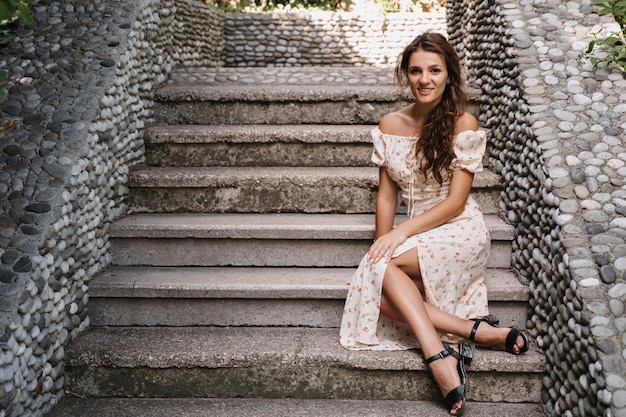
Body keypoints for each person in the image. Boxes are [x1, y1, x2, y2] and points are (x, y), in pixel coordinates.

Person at [339, 32, 529, 416]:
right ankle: (475, 332)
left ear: (448, 75)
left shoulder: (463, 122)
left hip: (458, 227)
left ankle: (436, 356)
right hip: (415, 233)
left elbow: (457, 201)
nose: (424, 79)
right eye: (415, 71)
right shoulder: (390, 124)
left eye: (434, 70)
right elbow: (387, 196)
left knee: (378, 278)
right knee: (376, 285)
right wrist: (381, 249)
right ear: (406, 75)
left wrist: (399, 236)